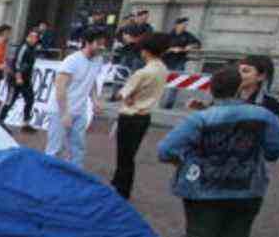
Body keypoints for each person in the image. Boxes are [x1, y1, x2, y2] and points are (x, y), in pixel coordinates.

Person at [157, 66, 279, 237]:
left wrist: (182, 161)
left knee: (199, 233)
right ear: (239, 88)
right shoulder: (263, 115)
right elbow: (277, 148)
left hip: (204, 187)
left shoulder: (201, 119)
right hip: (248, 185)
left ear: (211, 89)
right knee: (237, 233)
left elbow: (166, 149)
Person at [111, 32, 171, 200]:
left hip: (131, 116)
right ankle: (118, 183)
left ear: (146, 50)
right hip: (145, 116)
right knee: (130, 154)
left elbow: (121, 94)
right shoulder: (163, 69)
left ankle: (122, 189)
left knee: (124, 156)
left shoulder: (143, 72)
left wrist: (123, 95)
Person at [45, 27, 107, 167]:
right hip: (60, 111)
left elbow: (92, 82)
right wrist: (64, 112)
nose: (101, 47)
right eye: (98, 43)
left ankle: (74, 176)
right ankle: (48, 177)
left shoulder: (98, 60)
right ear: (87, 42)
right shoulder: (72, 60)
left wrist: (95, 100)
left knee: (78, 147)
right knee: (55, 148)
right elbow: (60, 87)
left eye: (103, 43)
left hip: (80, 110)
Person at [0, 27, 39, 132]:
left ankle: (25, 123)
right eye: (32, 37)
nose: (34, 39)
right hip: (16, 79)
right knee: (10, 100)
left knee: (30, 99)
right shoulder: (24, 47)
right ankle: (0, 120)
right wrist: (18, 76)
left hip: (26, 80)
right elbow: (17, 63)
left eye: (36, 37)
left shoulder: (32, 49)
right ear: (27, 37)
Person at [161, 18, 201, 110]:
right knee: (162, 82)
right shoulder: (168, 35)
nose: (184, 26)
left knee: (175, 83)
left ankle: (169, 104)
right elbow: (161, 47)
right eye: (183, 24)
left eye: (186, 25)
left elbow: (198, 43)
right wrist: (172, 49)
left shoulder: (187, 35)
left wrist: (191, 46)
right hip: (167, 61)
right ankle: (159, 101)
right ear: (177, 25)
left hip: (180, 61)